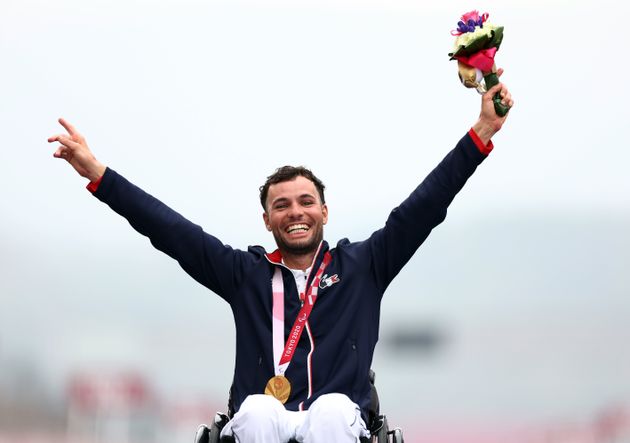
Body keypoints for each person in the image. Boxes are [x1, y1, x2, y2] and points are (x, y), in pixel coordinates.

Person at [48, 76, 513, 443]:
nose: (296, 212)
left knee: (331, 412)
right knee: (256, 412)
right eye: (282, 205)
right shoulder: (243, 275)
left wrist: (482, 132)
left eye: (306, 202)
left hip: (338, 422)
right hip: (263, 422)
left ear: (324, 212)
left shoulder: (365, 265)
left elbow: (425, 206)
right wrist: (98, 175)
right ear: (267, 220)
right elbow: (168, 229)